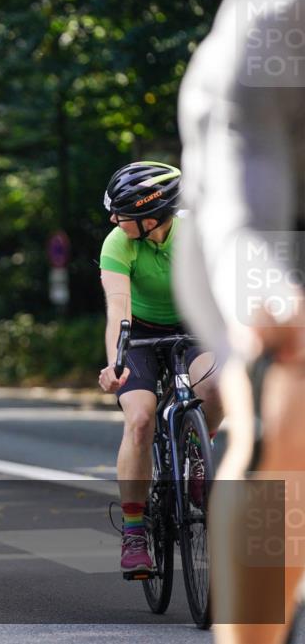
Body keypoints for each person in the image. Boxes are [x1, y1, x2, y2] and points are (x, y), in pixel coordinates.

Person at [175, 0, 305, 642]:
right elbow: (241, 216)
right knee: (286, 392)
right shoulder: (273, 28)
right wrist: (276, 303)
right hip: (239, 217)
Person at [96, 161, 222, 577]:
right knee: (140, 418)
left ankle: (196, 454)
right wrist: (115, 363)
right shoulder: (118, 243)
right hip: (141, 335)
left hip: (195, 326)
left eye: (123, 215)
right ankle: (135, 529)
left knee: (219, 386)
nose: (115, 220)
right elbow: (118, 310)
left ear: (151, 218)